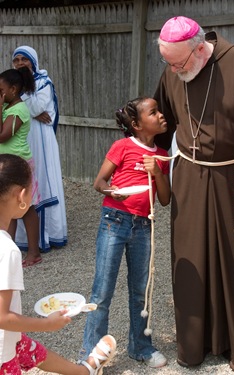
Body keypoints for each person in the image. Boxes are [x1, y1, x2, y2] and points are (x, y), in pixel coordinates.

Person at [154, 16, 234, 374]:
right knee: (190, 259)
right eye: (168, 63)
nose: (174, 70)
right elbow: (160, 121)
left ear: (198, 50)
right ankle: (194, 345)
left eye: (178, 62)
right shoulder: (173, 70)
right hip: (191, 178)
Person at [0, 153, 117, 375]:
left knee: (29, 349)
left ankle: (83, 371)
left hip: (11, 340)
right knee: (21, 347)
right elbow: (2, 317)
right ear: (21, 195)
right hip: (2, 355)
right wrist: (47, 325)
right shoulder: (7, 251)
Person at [79, 97, 170, 369]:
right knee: (102, 290)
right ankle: (90, 354)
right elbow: (99, 182)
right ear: (137, 124)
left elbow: (164, 199)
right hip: (114, 220)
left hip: (143, 226)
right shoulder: (122, 146)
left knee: (141, 291)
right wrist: (113, 193)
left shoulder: (162, 154)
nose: (161, 115)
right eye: (153, 113)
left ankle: (140, 346)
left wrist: (158, 173)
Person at [12, 46, 67, 259]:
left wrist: (25, 106)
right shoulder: (14, 86)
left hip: (42, 141)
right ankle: (23, 239)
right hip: (23, 140)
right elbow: (31, 110)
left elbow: (37, 108)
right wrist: (31, 111)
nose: (19, 64)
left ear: (33, 61)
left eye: (23, 59)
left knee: (43, 180)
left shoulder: (44, 82)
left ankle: (50, 235)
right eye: (16, 60)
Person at [0, 68, 41, 268]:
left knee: (27, 208)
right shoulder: (9, 108)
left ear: (13, 89)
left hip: (18, 164)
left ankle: (34, 252)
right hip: (8, 163)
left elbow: (3, 135)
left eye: (1, 90)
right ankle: (8, 250)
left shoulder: (18, 110)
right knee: (8, 206)